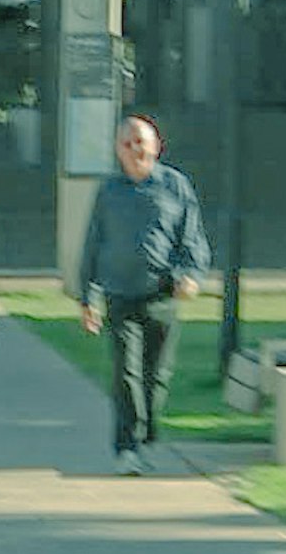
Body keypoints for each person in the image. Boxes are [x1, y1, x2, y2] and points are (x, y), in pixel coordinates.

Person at [69, 113, 210, 469]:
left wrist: (190, 274)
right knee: (125, 372)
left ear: (156, 146)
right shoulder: (109, 191)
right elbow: (93, 244)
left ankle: (144, 434)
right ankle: (126, 448)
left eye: (141, 143)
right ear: (118, 150)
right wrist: (89, 298)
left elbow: (193, 241)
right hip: (120, 295)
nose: (135, 150)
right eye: (127, 144)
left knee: (156, 376)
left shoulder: (175, 186)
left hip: (162, 295)